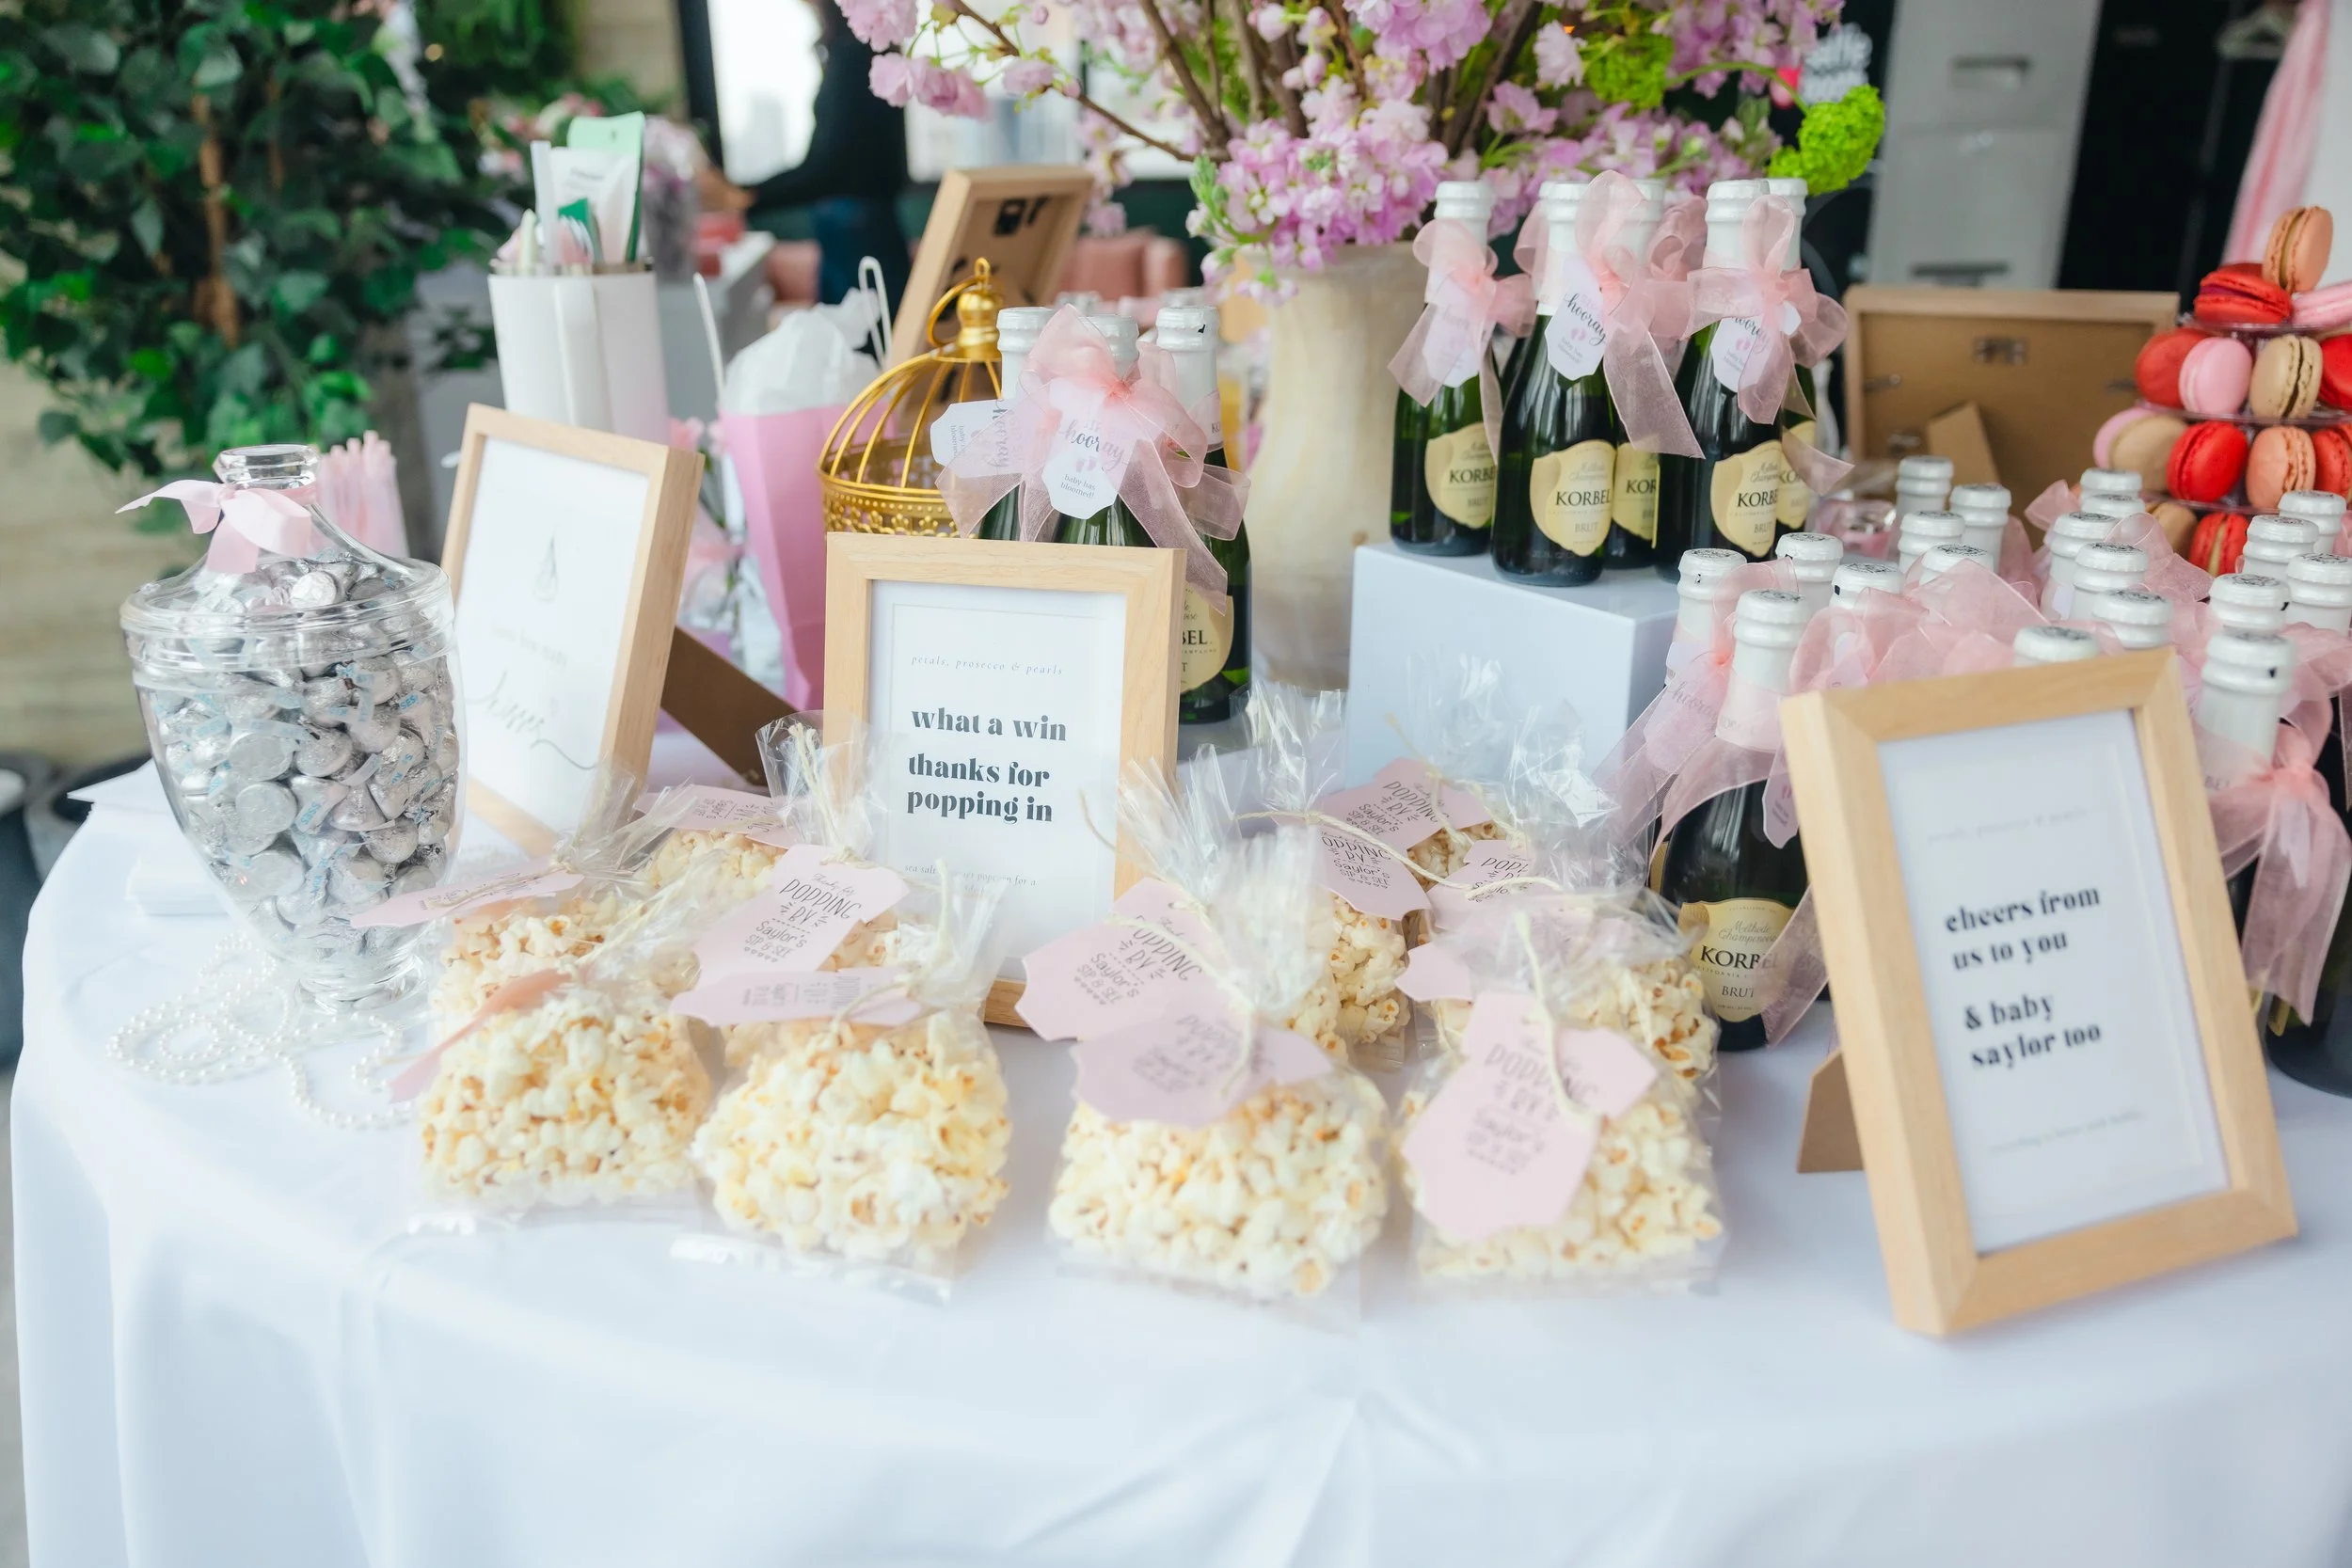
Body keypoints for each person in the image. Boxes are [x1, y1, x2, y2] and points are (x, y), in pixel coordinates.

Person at [749, 0, 911, 307]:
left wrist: (751, 197)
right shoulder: (863, 51)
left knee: (866, 339)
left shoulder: (854, 55)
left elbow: (826, 167)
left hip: (857, 230)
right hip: (862, 225)